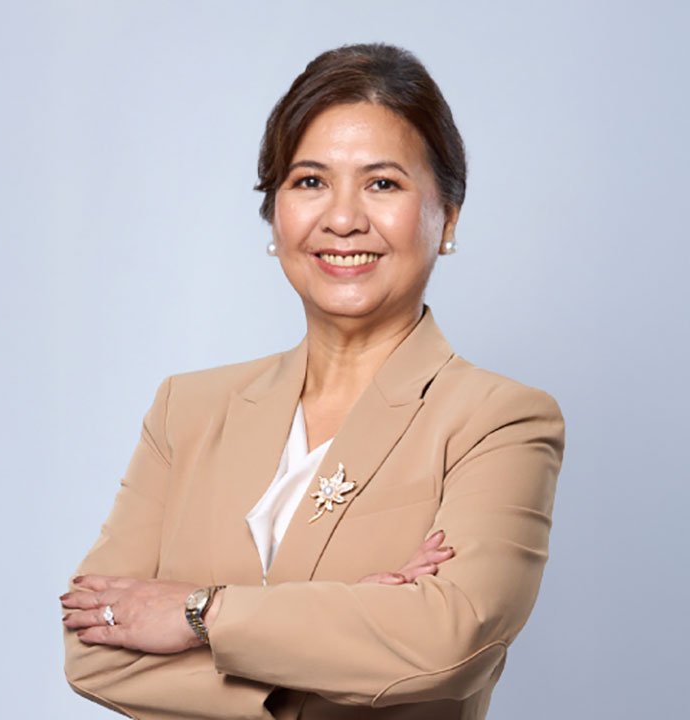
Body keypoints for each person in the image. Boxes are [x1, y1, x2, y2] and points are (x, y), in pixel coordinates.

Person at [61, 42, 565, 720]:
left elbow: (449, 641)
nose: (343, 218)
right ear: (274, 215)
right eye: (309, 182)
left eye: (382, 184)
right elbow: (92, 645)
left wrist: (196, 614)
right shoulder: (188, 409)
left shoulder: (499, 419)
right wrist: (347, 632)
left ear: (447, 215)